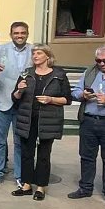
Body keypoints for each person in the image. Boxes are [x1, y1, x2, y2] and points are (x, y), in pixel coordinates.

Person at [12, 45, 71, 201]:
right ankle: (26, 185)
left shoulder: (58, 75)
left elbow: (67, 99)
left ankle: (40, 187)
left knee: (44, 154)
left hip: (48, 120)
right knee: (26, 153)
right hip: (27, 118)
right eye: (33, 54)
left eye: (39, 53)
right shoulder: (27, 73)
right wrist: (19, 90)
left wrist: (51, 100)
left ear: (47, 56)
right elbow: (15, 98)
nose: (35, 56)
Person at [0, 21, 32, 188]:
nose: (19, 36)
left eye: (22, 33)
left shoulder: (34, 51)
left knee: (21, 141)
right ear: (11, 34)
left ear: (27, 33)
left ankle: (21, 175)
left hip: (24, 103)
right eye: (16, 33)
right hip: (2, 101)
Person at [69, 45, 105, 204]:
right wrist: (83, 95)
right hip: (89, 121)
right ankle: (85, 188)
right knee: (86, 157)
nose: (102, 64)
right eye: (98, 60)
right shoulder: (90, 72)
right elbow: (75, 92)